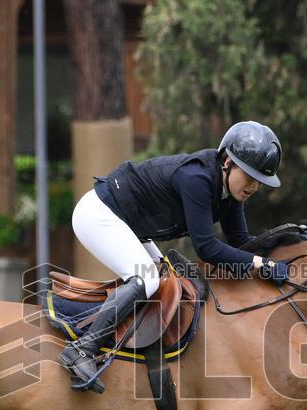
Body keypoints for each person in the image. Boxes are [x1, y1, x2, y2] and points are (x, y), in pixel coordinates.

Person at [59, 120, 289, 392]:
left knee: (166, 282)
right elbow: (207, 248)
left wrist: (282, 252)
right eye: (250, 177)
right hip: (99, 214)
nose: (253, 187)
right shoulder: (198, 180)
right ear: (227, 162)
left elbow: (242, 243)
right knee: (147, 280)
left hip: (127, 224)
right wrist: (261, 264)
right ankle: (82, 350)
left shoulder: (230, 194)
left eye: (259, 182)